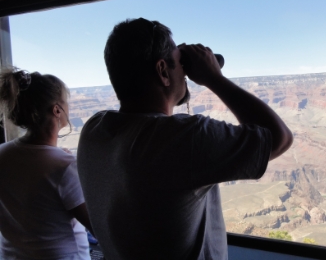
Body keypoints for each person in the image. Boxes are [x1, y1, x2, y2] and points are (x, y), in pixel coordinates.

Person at [77, 18, 293, 259]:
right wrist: (213, 77)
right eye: (181, 64)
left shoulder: (93, 130)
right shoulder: (183, 138)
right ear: (162, 71)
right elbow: (279, 138)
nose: (186, 72)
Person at [0, 68, 93, 260]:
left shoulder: (2, 153)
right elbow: (97, 225)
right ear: (57, 110)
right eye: (67, 102)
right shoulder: (63, 166)